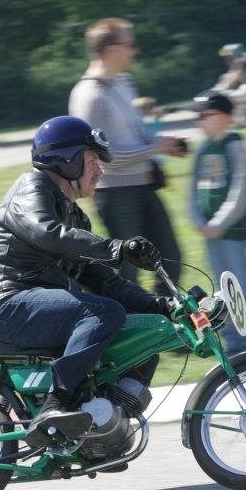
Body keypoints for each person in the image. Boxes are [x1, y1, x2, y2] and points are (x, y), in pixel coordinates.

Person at [0, 115, 180, 448]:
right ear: (66, 160)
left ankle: (102, 431)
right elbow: (47, 233)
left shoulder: (73, 213)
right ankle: (54, 406)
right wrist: (117, 248)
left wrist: (162, 307)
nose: (99, 170)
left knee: (145, 331)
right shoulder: (32, 187)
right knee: (103, 314)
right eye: (93, 160)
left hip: (33, 304)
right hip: (5, 302)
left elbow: (102, 279)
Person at [69, 18, 185, 296]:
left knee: (169, 260)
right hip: (115, 193)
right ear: (110, 49)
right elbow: (101, 156)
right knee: (129, 274)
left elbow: (137, 132)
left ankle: (164, 329)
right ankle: (128, 330)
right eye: (129, 45)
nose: (135, 51)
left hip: (144, 185)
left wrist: (163, 144)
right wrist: (155, 148)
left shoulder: (124, 82)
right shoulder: (88, 96)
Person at [187, 91, 246, 354]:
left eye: (205, 115)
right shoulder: (203, 148)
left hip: (231, 231)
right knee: (219, 291)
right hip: (209, 232)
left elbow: (241, 189)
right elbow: (193, 189)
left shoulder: (235, 145)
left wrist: (220, 222)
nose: (200, 120)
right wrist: (198, 220)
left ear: (223, 117)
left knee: (239, 286)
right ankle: (232, 341)